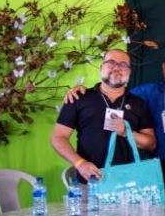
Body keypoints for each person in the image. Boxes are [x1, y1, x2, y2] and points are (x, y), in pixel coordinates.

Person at [63, 49, 165, 204]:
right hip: (153, 167)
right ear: (164, 67)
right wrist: (79, 90)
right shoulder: (145, 92)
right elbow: (113, 87)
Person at [51, 49, 156, 182]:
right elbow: (58, 137)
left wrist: (126, 131)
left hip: (128, 183)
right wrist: (80, 163)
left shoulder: (138, 104)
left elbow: (150, 144)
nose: (116, 68)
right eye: (111, 62)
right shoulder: (79, 98)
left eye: (123, 64)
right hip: (90, 181)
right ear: (101, 67)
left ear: (129, 71)